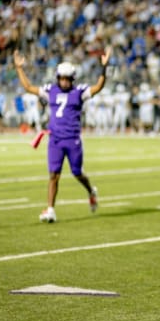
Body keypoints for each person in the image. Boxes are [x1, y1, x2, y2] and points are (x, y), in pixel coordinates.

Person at [14, 47, 111, 223]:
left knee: (77, 173)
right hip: (55, 139)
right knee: (53, 175)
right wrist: (19, 68)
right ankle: (51, 209)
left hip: (72, 139)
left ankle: (90, 190)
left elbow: (98, 87)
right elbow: (28, 87)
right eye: (62, 78)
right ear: (57, 77)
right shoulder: (50, 90)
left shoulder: (79, 92)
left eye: (67, 78)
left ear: (72, 79)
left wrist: (104, 68)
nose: (64, 82)